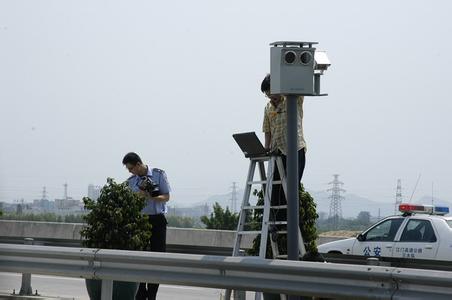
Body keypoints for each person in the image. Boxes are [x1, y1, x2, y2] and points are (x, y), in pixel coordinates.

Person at [122, 152, 170, 300]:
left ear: (138, 164)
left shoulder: (158, 174)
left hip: (157, 220)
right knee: (139, 259)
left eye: (131, 168)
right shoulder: (131, 181)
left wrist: (152, 196)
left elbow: (166, 197)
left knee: (157, 258)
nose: (130, 172)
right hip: (140, 221)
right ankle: (141, 294)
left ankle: (152, 295)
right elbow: (129, 200)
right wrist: (141, 191)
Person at [261, 74, 306, 214]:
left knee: (291, 189)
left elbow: (300, 82)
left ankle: (292, 221)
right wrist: (266, 148)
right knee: (275, 191)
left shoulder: (293, 99)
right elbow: (267, 130)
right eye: (267, 95)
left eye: (272, 94)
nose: (271, 98)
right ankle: (277, 225)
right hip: (277, 151)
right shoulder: (268, 107)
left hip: (295, 149)